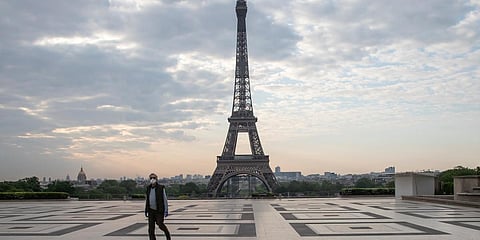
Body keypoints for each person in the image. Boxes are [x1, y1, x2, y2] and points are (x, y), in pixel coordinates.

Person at [145, 173, 171, 240]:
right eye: (151, 178)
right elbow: (147, 199)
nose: (152, 179)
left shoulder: (161, 188)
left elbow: (164, 199)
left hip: (159, 210)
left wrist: (166, 210)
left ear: (156, 179)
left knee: (160, 224)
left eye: (154, 178)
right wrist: (146, 210)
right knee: (151, 228)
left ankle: (167, 235)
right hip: (151, 210)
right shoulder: (148, 188)